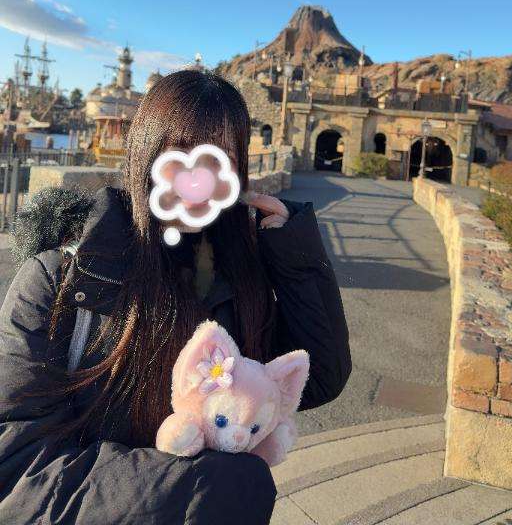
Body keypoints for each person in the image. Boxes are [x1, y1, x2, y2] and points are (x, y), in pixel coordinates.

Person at [0, 69, 352, 525]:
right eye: (181, 152)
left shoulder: (237, 282)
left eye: (221, 158)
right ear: (145, 153)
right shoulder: (63, 280)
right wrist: (206, 490)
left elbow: (317, 378)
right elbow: (18, 469)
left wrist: (292, 252)